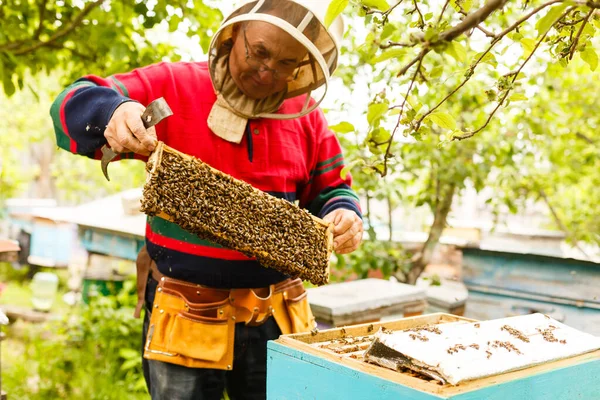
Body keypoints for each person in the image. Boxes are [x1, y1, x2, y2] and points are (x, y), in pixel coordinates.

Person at [50, 1, 363, 399]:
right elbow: (69, 106)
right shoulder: (172, 83)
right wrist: (113, 111)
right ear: (236, 34)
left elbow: (333, 188)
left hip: (277, 317)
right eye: (259, 52)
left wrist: (343, 213)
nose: (267, 71)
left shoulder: (304, 115)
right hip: (186, 313)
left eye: (286, 63)